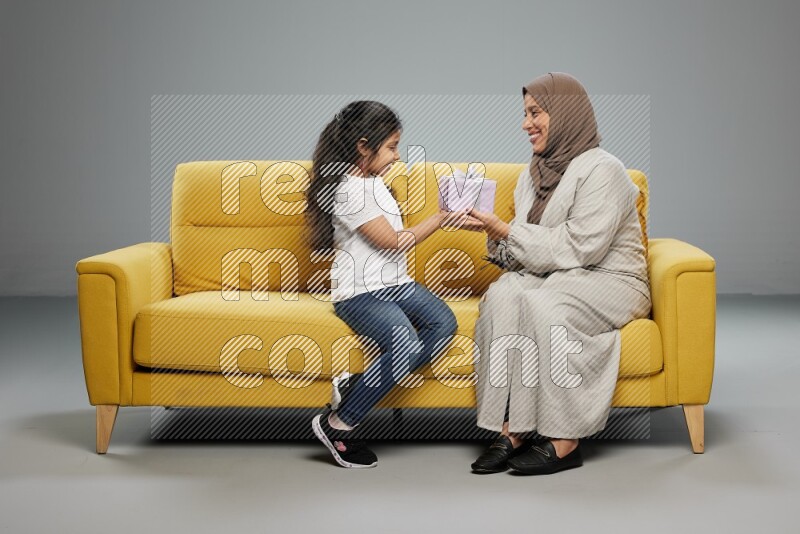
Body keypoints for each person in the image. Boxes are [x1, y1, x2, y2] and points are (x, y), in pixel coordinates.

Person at [465, 73, 652, 475]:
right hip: (557, 274)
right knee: (502, 295)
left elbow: (581, 246)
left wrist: (507, 230)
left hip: (610, 279)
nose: (525, 124)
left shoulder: (605, 170)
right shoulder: (531, 176)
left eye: (535, 112)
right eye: (524, 114)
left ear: (565, 113)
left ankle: (566, 439)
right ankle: (512, 428)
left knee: (544, 305)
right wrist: (493, 236)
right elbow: (524, 255)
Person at [305, 100, 470, 468]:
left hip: (396, 284)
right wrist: (441, 218)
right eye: (391, 147)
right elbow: (394, 241)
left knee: (443, 323)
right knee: (404, 342)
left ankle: (356, 386)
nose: (397, 156)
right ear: (364, 146)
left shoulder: (374, 184)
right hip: (360, 294)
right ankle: (338, 424)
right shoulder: (348, 190)